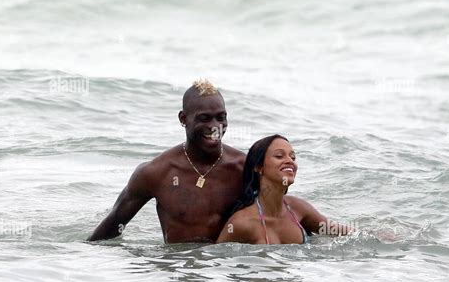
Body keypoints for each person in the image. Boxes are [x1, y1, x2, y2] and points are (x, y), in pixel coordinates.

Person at [88, 79, 245, 243]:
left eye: (221, 117)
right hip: (176, 265)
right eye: (204, 118)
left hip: (226, 267)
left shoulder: (244, 168)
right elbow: (108, 230)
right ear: (183, 119)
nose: (215, 126)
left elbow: (270, 223)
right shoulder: (155, 173)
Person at [217, 134, 352, 244]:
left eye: (292, 157)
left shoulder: (298, 208)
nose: (290, 161)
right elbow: (217, 262)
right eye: (279, 156)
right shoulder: (242, 223)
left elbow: (346, 233)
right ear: (258, 167)